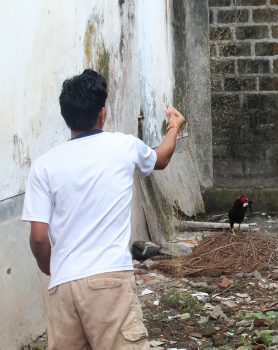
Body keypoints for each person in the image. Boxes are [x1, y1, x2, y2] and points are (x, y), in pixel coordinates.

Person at [21, 69, 186, 349]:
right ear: (102, 112)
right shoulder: (122, 146)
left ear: (66, 115)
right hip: (110, 280)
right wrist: (173, 126)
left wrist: (54, 268)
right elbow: (161, 158)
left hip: (63, 287)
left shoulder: (44, 165)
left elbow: (38, 236)